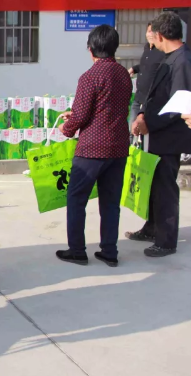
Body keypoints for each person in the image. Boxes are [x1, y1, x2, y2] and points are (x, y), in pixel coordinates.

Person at [56, 25, 132, 267]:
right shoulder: (124, 75)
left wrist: (67, 128)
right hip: (118, 147)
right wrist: (78, 115)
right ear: (114, 47)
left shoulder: (89, 77)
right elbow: (109, 107)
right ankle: (109, 251)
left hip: (92, 148)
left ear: (90, 49)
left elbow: (81, 115)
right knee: (110, 202)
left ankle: (77, 250)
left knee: (76, 198)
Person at [127, 12, 191, 257]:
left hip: (170, 138)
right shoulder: (169, 58)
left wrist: (149, 123)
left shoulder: (184, 61)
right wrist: (142, 114)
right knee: (153, 185)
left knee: (165, 189)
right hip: (157, 134)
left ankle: (166, 241)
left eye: (151, 33)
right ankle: (152, 228)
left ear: (159, 35)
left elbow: (179, 106)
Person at [128, 23, 166, 132]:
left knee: (144, 131)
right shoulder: (147, 48)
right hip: (138, 96)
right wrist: (133, 69)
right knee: (131, 129)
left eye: (153, 31)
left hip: (150, 99)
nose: (150, 34)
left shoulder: (161, 51)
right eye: (148, 31)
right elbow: (145, 65)